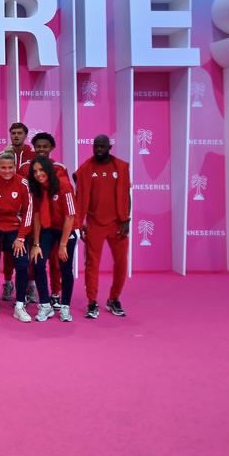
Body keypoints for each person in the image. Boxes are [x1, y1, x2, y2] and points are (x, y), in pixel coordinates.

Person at [74, 134, 131, 319]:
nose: (98, 149)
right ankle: (92, 302)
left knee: (121, 264)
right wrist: (80, 221)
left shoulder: (121, 167)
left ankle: (114, 299)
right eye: (95, 146)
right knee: (92, 265)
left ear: (109, 147)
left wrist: (126, 220)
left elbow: (126, 195)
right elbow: (79, 194)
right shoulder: (86, 168)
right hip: (94, 224)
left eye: (102, 146)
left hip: (117, 223)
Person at [0, 152, 33, 323]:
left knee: (23, 264)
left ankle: (19, 304)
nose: (7, 171)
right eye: (3, 167)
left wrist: (21, 237)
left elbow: (28, 212)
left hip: (16, 230)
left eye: (10, 167)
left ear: (15, 167)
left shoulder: (24, 184)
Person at [18, 131, 69, 306]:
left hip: (51, 223)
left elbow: (63, 194)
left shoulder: (59, 168)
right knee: (28, 257)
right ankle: (28, 288)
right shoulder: (25, 168)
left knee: (54, 260)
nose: (41, 150)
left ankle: (55, 292)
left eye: (45, 147)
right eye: (38, 146)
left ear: (52, 148)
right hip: (28, 220)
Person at [27, 156, 77, 323]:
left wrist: (63, 245)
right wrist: (36, 243)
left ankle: (65, 307)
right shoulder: (37, 188)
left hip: (65, 230)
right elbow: (36, 215)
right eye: (35, 171)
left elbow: (70, 217)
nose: (38, 174)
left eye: (41, 170)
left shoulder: (64, 185)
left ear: (48, 169)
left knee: (65, 268)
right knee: (38, 262)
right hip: (47, 229)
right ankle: (45, 305)